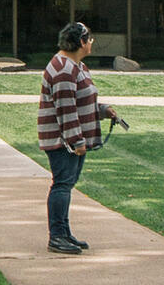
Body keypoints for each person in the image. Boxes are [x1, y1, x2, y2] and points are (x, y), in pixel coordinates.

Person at [36, 22, 118, 255]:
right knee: (62, 185)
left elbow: (81, 100)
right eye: (89, 39)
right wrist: (76, 141)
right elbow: (65, 108)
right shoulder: (63, 68)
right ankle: (57, 236)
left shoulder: (77, 66)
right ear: (81, 42)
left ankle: (64, 232)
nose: (91, 42)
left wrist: (103, 110)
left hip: (70, 138)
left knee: (66, 185)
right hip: (63, 141)